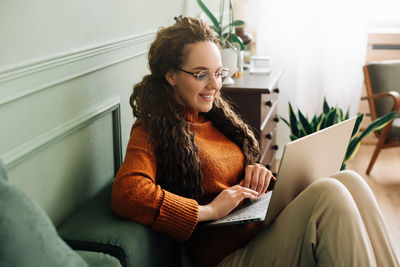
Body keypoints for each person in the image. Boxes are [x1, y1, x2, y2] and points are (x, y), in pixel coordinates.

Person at [111, 16, 399, 267]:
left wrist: (261, 177)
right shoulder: (151, 130)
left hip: (257, 233)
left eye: (219, 73)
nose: (215, 85)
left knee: (350, 179)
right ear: (171, 75)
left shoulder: (216, 118)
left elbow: (233, 179)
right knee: (328, 194)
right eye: (201, 75)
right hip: (225, 257)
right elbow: (127, 193)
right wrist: (208, 210)